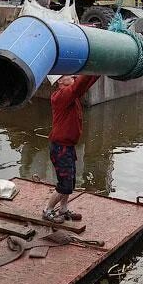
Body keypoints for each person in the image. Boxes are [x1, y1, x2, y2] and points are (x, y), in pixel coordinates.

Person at [43, 75, 100, 223]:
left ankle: (63, 209)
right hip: (61, 148)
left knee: (70, 181)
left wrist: (99, 69)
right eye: (69, 75)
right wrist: (91, 69)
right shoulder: (61, 96)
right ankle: (48, 210)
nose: (74, 76)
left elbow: (83, 85)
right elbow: (80, 85)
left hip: (67, 147)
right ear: (60, 81)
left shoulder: (70, 96)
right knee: (65, 184)